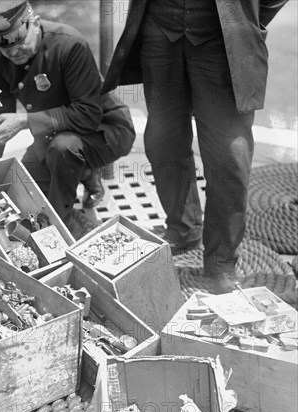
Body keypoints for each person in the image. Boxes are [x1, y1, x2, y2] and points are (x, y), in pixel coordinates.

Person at [102, 0, 288, 294]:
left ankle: (221, 260)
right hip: (160, 32)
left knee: (229, 157)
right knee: (162, 141)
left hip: (223, 38)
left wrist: (248, 19)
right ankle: (183, 226)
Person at [0, 0, 135, 224]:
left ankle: (61, 226)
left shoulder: (69, 45)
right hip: (53, 134)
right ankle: (85, 173)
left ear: (35, 23)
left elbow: (88, 114)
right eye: (5, 45)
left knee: (63, 149)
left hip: (105, 130)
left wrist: (25, 121)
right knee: (24, 190)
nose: (13, 51)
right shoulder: (0, 55)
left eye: (18, 40)